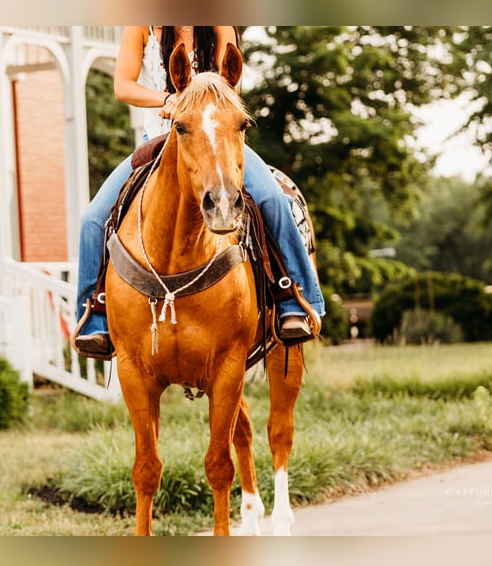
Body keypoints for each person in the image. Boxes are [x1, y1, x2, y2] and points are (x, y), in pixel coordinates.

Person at [74, 26, 325, 357]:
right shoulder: (141, 27)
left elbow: (229, 81)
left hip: (216, 137)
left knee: (274, 199)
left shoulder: (219, 25)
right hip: (161, 138)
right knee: (93, 218)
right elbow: (123, 86)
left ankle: (295, 297)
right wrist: (168, 100)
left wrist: (196, 104)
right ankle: (96, 313)